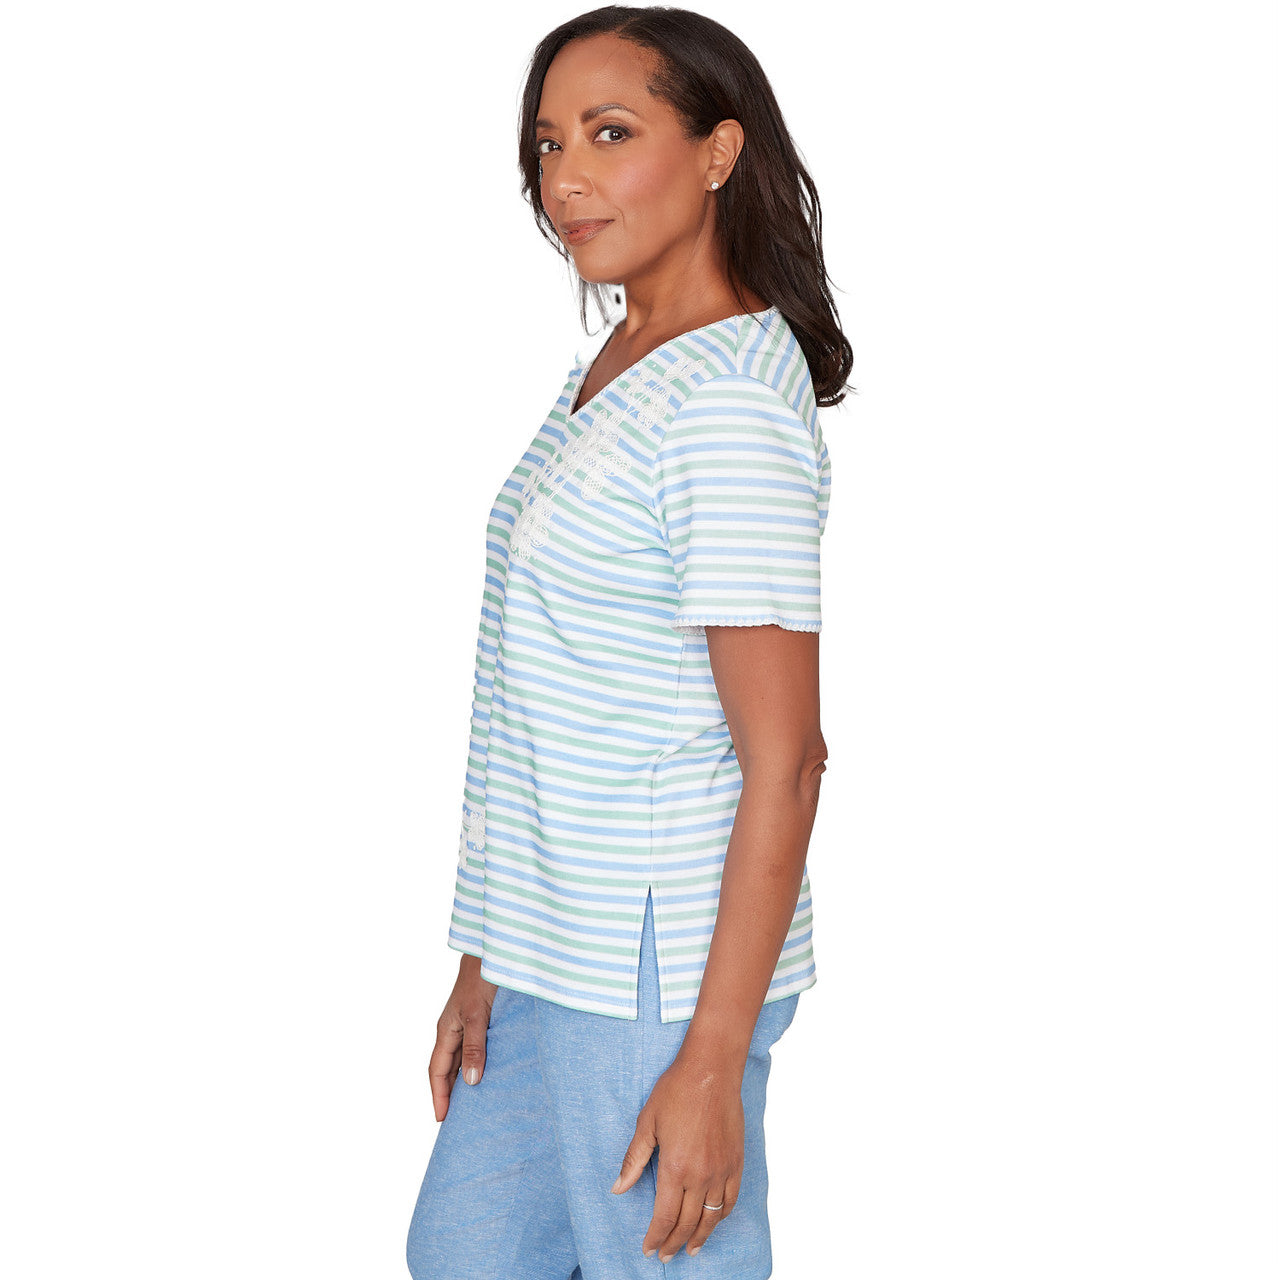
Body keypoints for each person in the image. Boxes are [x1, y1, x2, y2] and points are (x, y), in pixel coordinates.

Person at [406, 6, 854, 1277]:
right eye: (548, 143)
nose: (565, 178)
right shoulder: (624, 359)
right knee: (466, 1253)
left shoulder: (723, 401)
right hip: (553, 943)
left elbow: (786, 758)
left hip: (656, 962)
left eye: (610, 133)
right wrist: (488, 955)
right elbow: (548, 692)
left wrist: (709, 1055)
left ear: (718, 152)